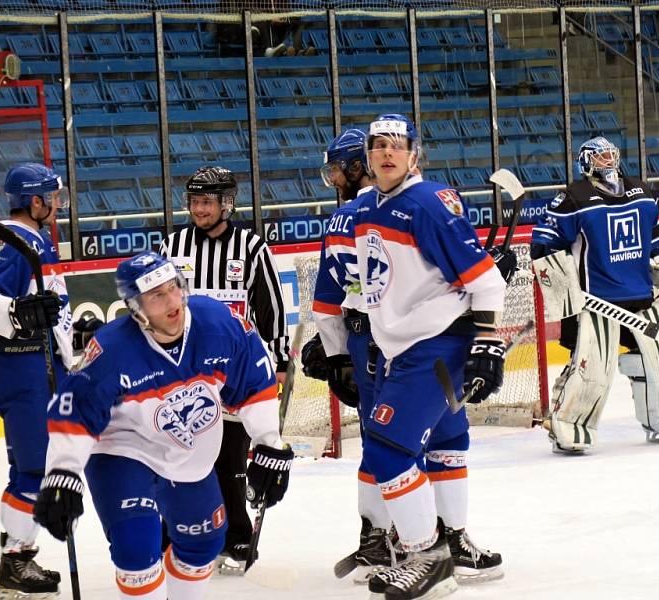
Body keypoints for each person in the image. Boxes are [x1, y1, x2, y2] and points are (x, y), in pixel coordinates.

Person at [32, 252, 294, 600]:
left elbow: (253, 381)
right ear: (136, 307)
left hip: (188, 454)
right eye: (156, 295)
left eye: (173, 288)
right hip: (123, 451)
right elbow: (76, 411)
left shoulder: (217, 323)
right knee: (136, 549)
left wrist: (268, 443)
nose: (172, 301)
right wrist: (63, 473)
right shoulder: (112, 349)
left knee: (204, 544)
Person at [352, 114, 513, 600]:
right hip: (408, 346)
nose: (386, 153)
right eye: (378, 145)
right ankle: (455, 542)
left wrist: (486, 344)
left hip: (436, 346)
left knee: (386, 448)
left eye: (396, 146)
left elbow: (486, 281)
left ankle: (428, 556)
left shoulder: (426, 202)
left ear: (414, 154)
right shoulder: (369, 207)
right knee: (446, 443)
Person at [530, 136, 659, 454]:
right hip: (596, 302)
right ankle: (568, 424)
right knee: (591, 369)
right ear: (586, 162)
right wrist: (560, 282)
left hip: (641, 296)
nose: (607, 161)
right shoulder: (574, 197)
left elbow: (654, 242)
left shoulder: (642, 192)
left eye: (611, 154)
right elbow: (544, 241)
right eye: (599, 156)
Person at [159, 166, 290, 572]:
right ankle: (174, 533)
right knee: (179, 455)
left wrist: (280, 360)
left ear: (226, 204)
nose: (198, 209)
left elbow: (271, 306)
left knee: (230, 459)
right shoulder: (172, 246)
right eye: (194, 202)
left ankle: (236, 535)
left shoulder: (251, 247)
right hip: (184, 369)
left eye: (207, 202)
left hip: (232, 369)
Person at [0, 162, 72, 598]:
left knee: (32, 468)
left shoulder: (34, 238)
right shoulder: (10, 240)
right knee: (33, 469)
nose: (58, 204)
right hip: (22, 366)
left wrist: (67, 340)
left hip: (34, 366)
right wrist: (18, 315)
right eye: (53, 196)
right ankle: (15, 563)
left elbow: (47, 305)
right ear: (35, 201)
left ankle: (18, 554)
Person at [302, 128, 399, 582]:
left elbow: (327, 299)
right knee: (404, 437)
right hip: (400, 337)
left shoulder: (347, 216)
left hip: (366, 338)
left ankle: (382, 538)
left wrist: (337, 351)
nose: (334, 179)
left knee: (381, 439)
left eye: (338, 169)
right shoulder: (397, 206)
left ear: (357, 167)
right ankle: (405, 536)